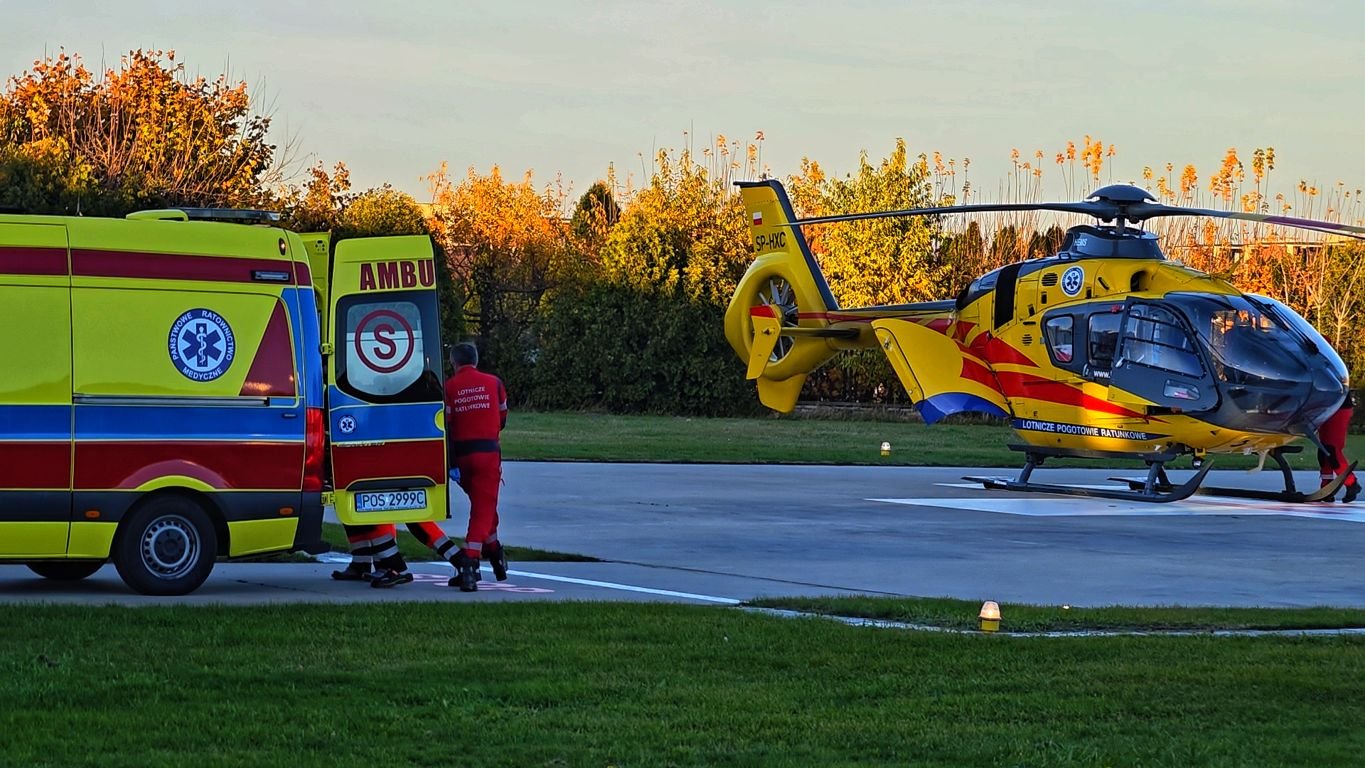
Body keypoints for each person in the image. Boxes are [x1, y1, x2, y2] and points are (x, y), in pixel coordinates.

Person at [444, 341, 509, 591]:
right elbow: (502, 418)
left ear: (453, 363)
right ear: (476, 360)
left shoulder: (449, 387)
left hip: (461, 457)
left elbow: (447, 423)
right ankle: (470, 563)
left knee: (484, 507)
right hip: (488, 454)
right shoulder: (494, 383)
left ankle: (495, 553)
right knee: (484, 510)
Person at [1318, 392, 1359, 503]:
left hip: (1339, 406)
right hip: (1323, 407)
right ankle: (1326, 488)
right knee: (1323, 450)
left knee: (1332, 450)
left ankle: (1352, 483)